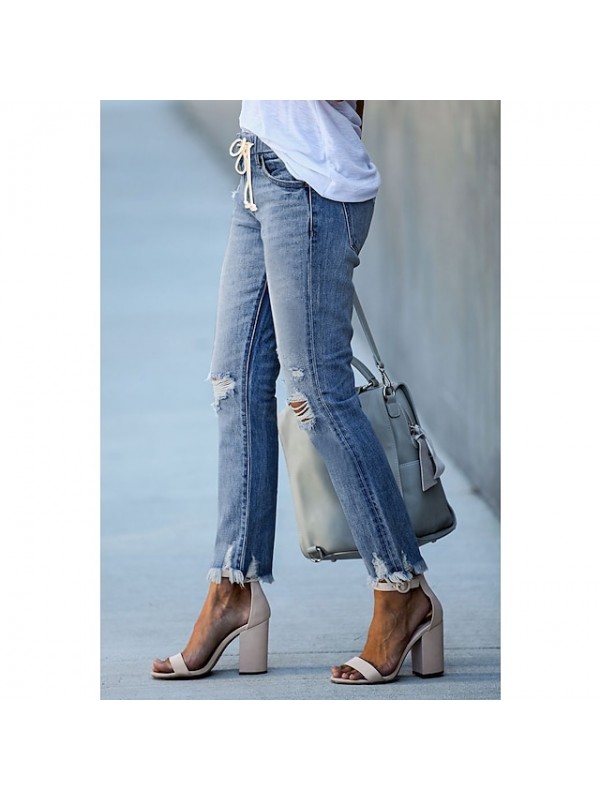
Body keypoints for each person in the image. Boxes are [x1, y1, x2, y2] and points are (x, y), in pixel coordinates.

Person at [152, 100, 444, 685]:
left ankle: (402, 589)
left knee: (320, 394)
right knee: (234, 383)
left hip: (311, 181)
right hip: (257, 167)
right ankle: (233, 587)